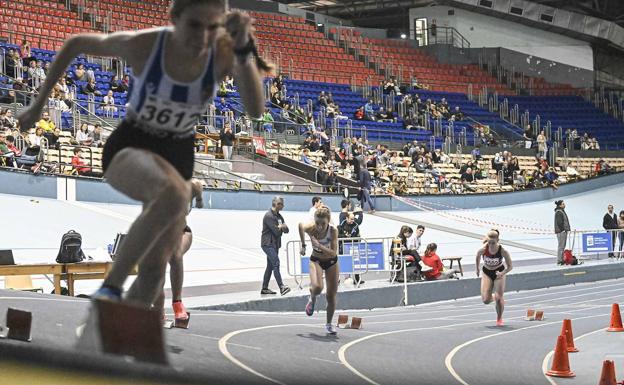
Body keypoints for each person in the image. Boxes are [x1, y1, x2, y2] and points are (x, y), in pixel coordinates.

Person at [18, 0, 268, 335]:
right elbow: (76, 44)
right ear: (174, 19)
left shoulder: (222, 53)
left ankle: (112, 331)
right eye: (195, 26)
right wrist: (38, 104)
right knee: (176, 192)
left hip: (178, 156)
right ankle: (109, 291)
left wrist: (242, 53)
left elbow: (255, 110)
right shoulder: (147, 44)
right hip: (132, 145)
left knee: (155, 267)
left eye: (213, 28)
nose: (202, 37)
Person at [154, 178, 204, 325]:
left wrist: (199, 200)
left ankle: (177, 302)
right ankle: (159, 310)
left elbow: (198, 186)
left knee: (175, 256)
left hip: (182, 233)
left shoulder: (191, 186)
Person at [299, 206, 339, 335]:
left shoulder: (333, 231)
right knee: (317, 287)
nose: (320, 226)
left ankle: (328, 324)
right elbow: (300, 226)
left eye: (323, 224)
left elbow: (333, 253)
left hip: (331, 262)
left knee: (331, 296)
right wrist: (303, 245)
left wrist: (319, 245)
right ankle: (312, 298)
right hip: (316, 260)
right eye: (318, 223)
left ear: (329, 221)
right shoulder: (311, 227)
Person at [475, 230, 512, 326]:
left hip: (499, 272)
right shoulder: (483, 250)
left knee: (499, 298)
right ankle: (495, 297)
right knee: (485, 300)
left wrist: (502, 273)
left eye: (493, 243)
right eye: (489, 242)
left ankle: (499, 318)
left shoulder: (503, 251)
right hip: (487, 272)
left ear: (498, 240)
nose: (491, 245)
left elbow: (510, 266)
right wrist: (477, 268)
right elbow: (478, 256)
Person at [260, 196, 291, 295]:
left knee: (270, 266)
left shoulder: (279, 216)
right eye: (282, 204)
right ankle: (281, 287)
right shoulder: (269, 216)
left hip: (275, 244)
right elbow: (277, 232)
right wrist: (282, 227)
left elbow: (286, 230)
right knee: (276, 262)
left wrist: (282, 227)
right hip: (268, 244)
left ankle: (264, 288)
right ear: (277, 204)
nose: (283, 206)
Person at [554, 200, 570, 265]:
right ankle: (559, 260)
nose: (564, 205)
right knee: (561, 246)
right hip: (561, 232)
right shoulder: (559, 212)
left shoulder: (561, 211)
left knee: (562, 246)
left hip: (562, 231)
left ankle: (561, 259)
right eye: (563, 204)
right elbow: (560, 222)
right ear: (560, 205)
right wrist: (563, 230)